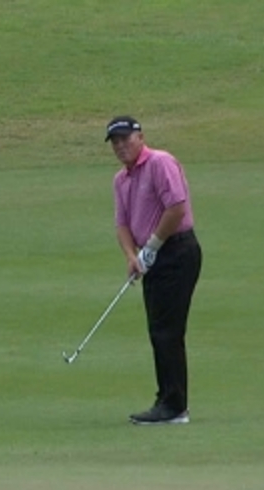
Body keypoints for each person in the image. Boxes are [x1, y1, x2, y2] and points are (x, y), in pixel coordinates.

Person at [106, 115, 203, 425]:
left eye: (125, 139)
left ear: (141, 137)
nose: (121, 146)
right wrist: (132, 256)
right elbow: (122, 224)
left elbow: (177, 207)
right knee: (158, 330)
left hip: (176, 251)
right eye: (115, 142)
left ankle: (175, 407)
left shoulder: (160, 163)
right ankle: (167, 399)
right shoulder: (121, 180)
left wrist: (152, 245)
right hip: (154, 256)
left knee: (167, 331)